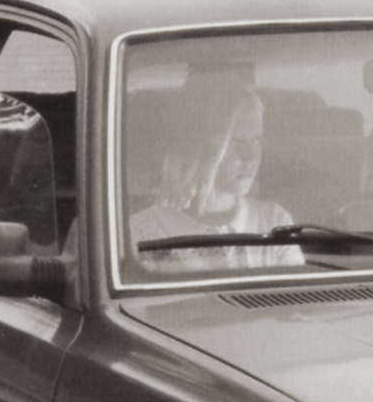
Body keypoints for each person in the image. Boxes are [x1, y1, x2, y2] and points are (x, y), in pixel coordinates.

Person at [124, 78, 289, 269]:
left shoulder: (275, 223)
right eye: (236, 142)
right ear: (195, 147)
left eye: (256, 140)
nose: (251, 157)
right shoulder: (138, 235)